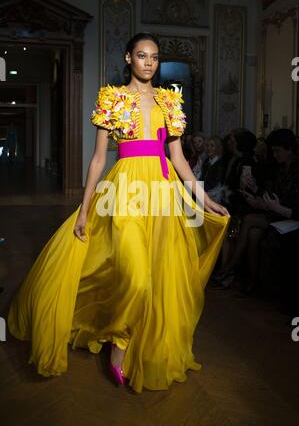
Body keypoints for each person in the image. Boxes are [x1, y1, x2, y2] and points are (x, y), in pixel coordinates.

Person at [8, 33, 229, 393]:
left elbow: (178, 160)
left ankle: (124, 342)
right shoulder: (112, 98)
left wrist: (203, 199)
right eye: (141, 56)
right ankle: (119, 339)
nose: (148, 63)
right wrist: (84, 208)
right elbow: (98, 159)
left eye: (154, 58)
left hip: (161, 193)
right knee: (136, 276)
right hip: (124, 191)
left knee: (157, 276)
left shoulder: (169, 101)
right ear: (128, 58)